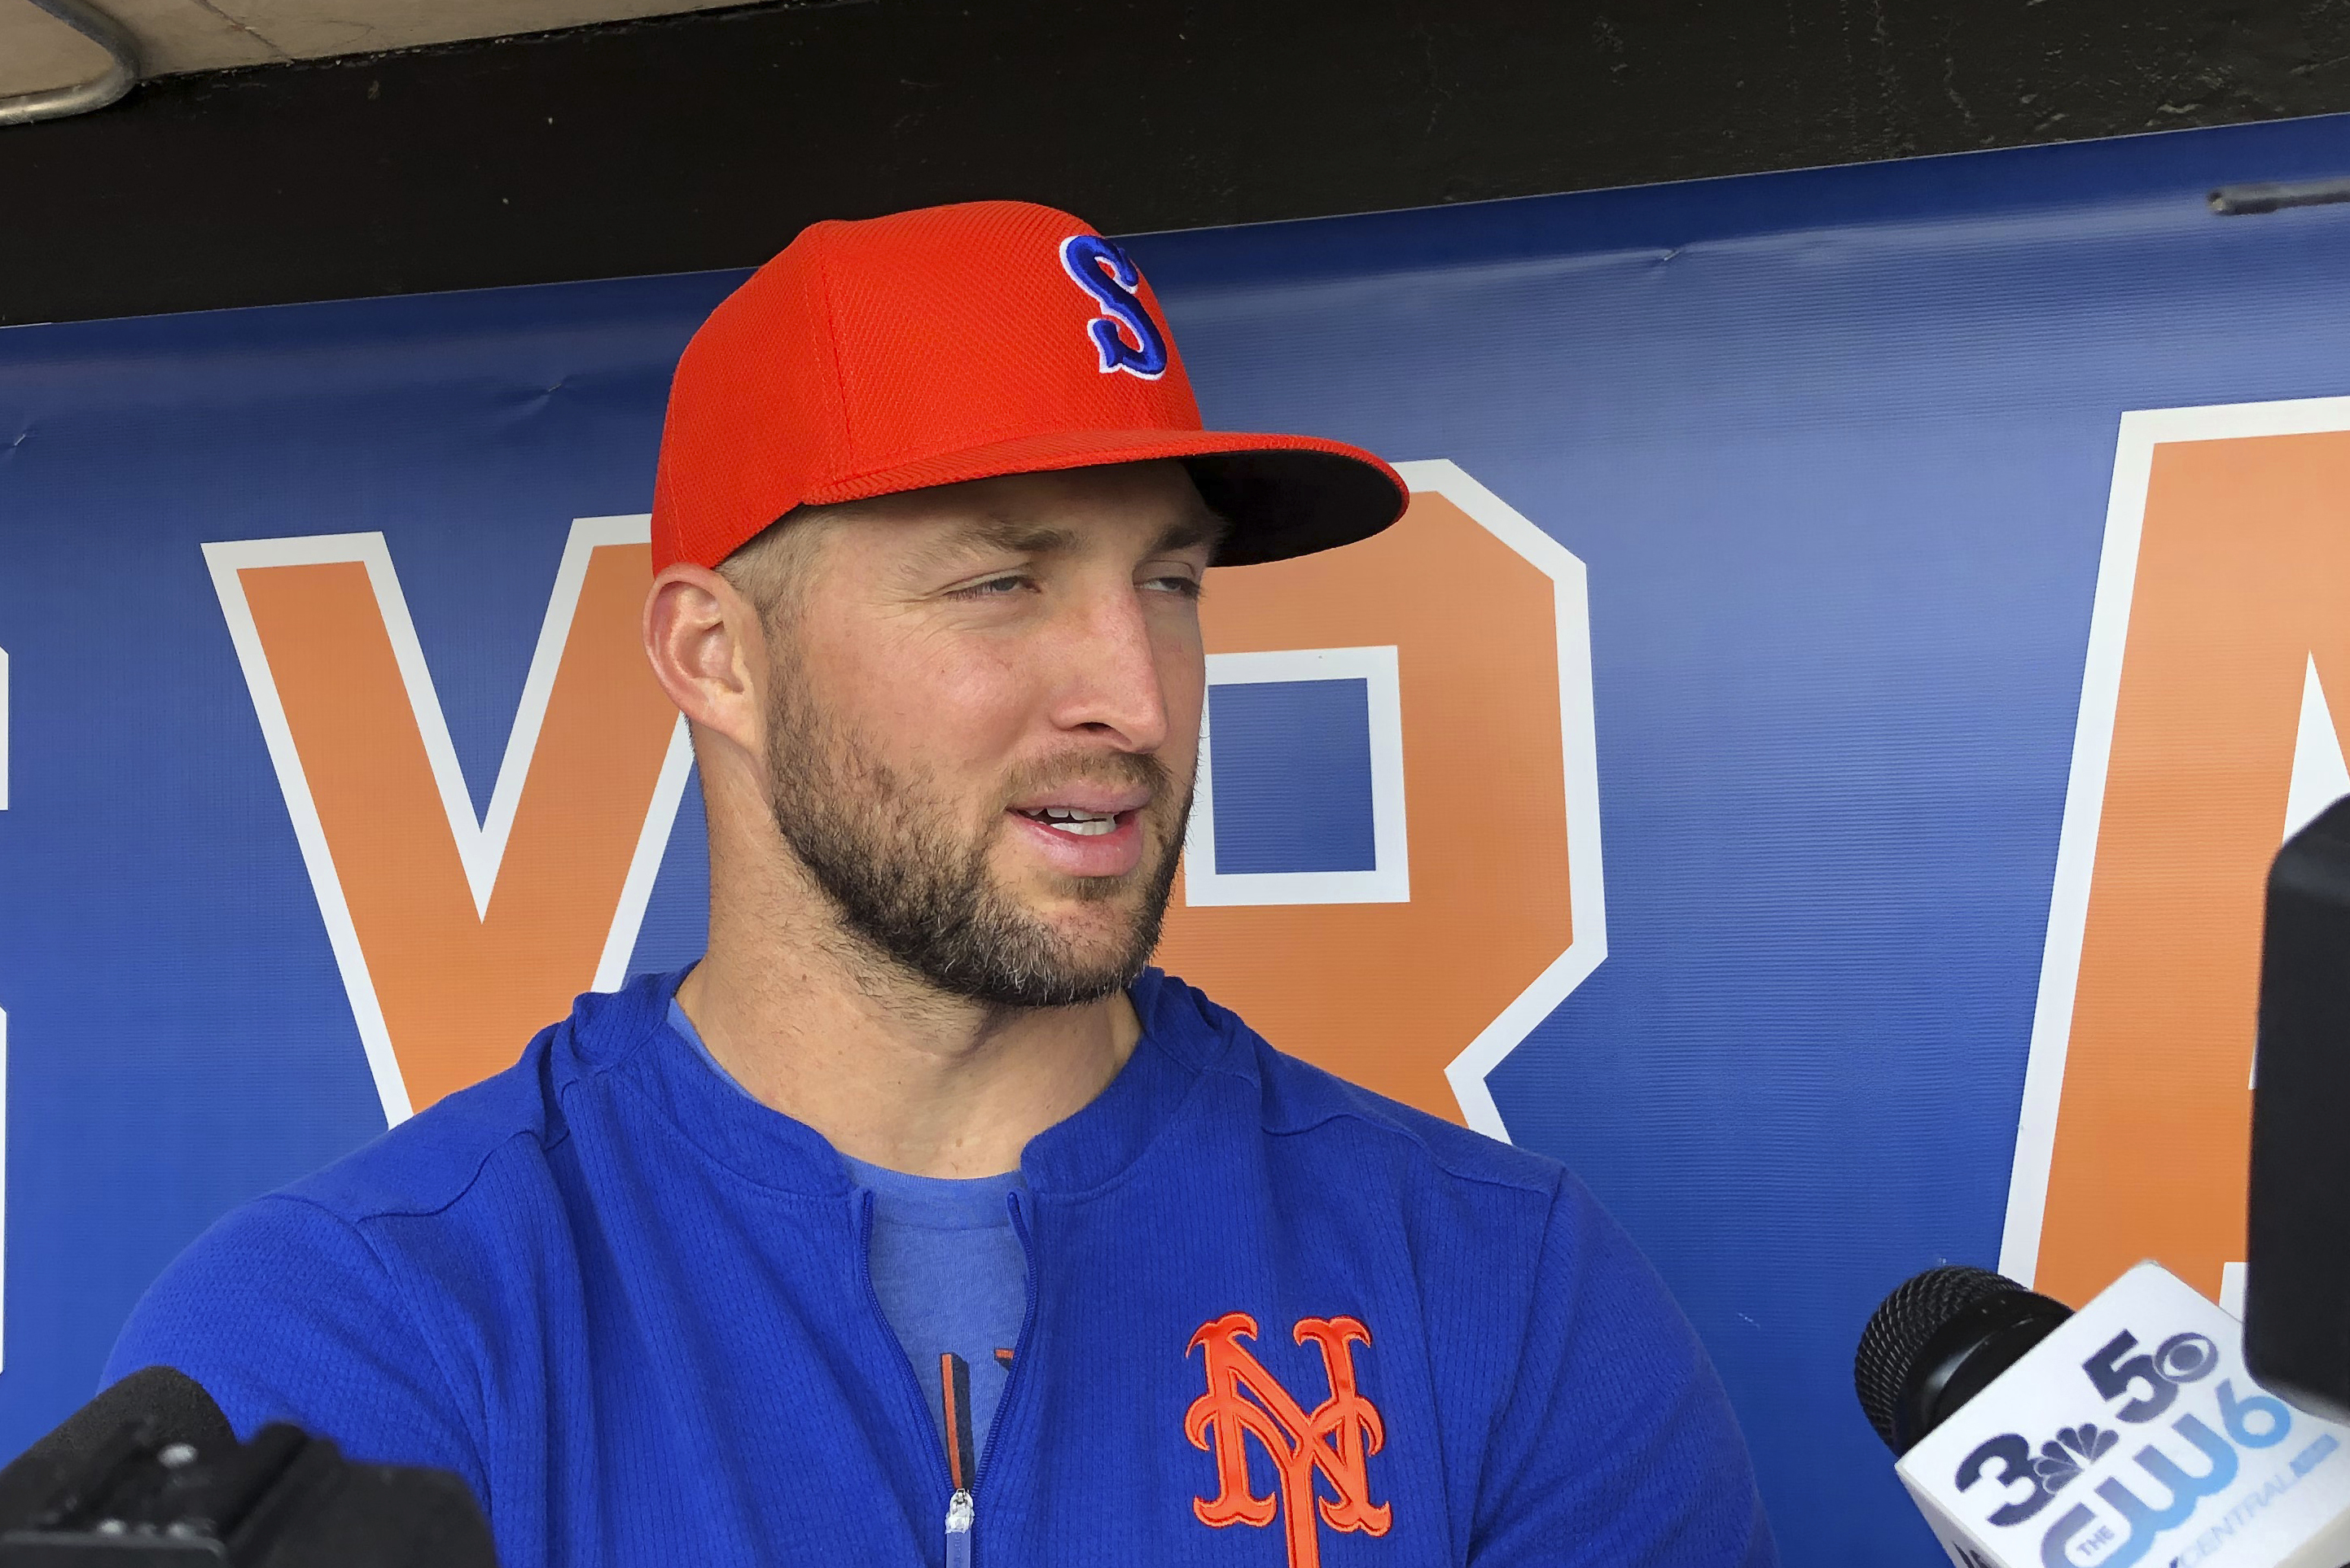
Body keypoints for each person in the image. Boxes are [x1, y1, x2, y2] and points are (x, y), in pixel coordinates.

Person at [107, 200, 1776, 1567]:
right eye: (1000, 579)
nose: (1133, 691)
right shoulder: (362, 1324)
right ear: (719, 656)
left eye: (1170, 582)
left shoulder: (1497, 1287)